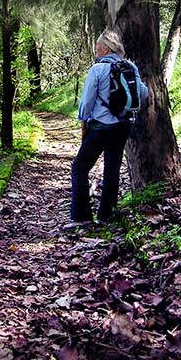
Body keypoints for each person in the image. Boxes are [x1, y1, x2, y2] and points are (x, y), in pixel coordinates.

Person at [66, 29, 148, 229]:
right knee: (112, 168)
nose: (95, 49)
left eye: (97, 46)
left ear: (105, 48)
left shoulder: (98, 69)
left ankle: (81, 217)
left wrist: (83, 121)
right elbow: (143, 93)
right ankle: (106, 215)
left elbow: (86, 102)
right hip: (124, 126)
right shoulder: (130, 66)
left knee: (79, 167)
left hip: (101, 127)